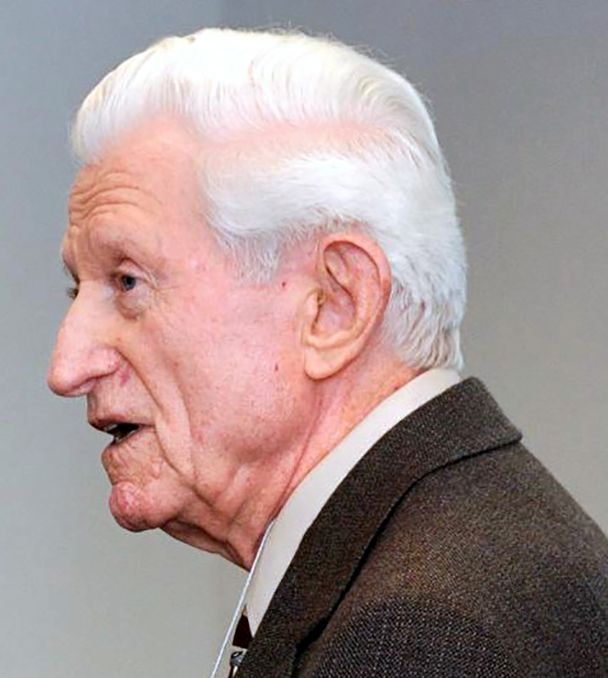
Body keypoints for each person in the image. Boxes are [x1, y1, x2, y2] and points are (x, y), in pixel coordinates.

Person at [47, 28, 608, 677]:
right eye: (77, 288)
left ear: (335, 306)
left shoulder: (415, 635)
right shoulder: (473, 547)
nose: (67, 366)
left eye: (127, 283)